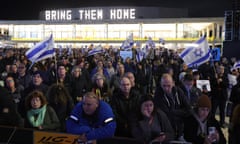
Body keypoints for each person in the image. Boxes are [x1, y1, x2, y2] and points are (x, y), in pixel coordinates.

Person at [154, 73, 192, 140]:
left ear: (173, 83)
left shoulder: (178, 92)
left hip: (181, 129)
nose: (166, 88)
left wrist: (174, 112)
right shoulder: (158, 95)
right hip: (167, 131)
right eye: (164, 86)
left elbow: (188, 109)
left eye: (168, 85)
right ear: (160, 84)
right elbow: (165, 114)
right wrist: (181, 112)